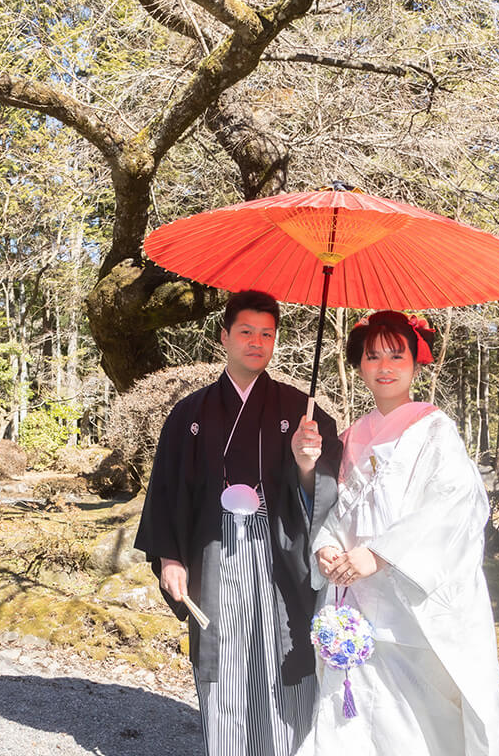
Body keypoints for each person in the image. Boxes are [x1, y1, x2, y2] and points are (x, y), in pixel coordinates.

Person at [134, 289, 342, 756]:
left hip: (280, 553)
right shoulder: (191, 412)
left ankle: (290, 748)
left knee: (285, 652)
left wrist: (308, 463)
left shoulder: (300, 410)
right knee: (224, 657)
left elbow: (327, 483)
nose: (256, 342)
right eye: (246, 332)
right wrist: (171, 557)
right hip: (215, 551)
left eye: (266, 334)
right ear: (224, 336)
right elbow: (168, 490)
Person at [299, 310, 499, 756]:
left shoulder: (434, 429)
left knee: (411, 726)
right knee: (350, 719)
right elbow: (345, 510)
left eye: (397, 356)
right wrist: (328, 545)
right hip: (358, 601)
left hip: (411, 606)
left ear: (416, 364)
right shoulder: (356, 432)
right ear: (359, 365)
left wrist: (378, 554)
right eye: (373, 356)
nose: (384, 367)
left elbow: (455, 505)